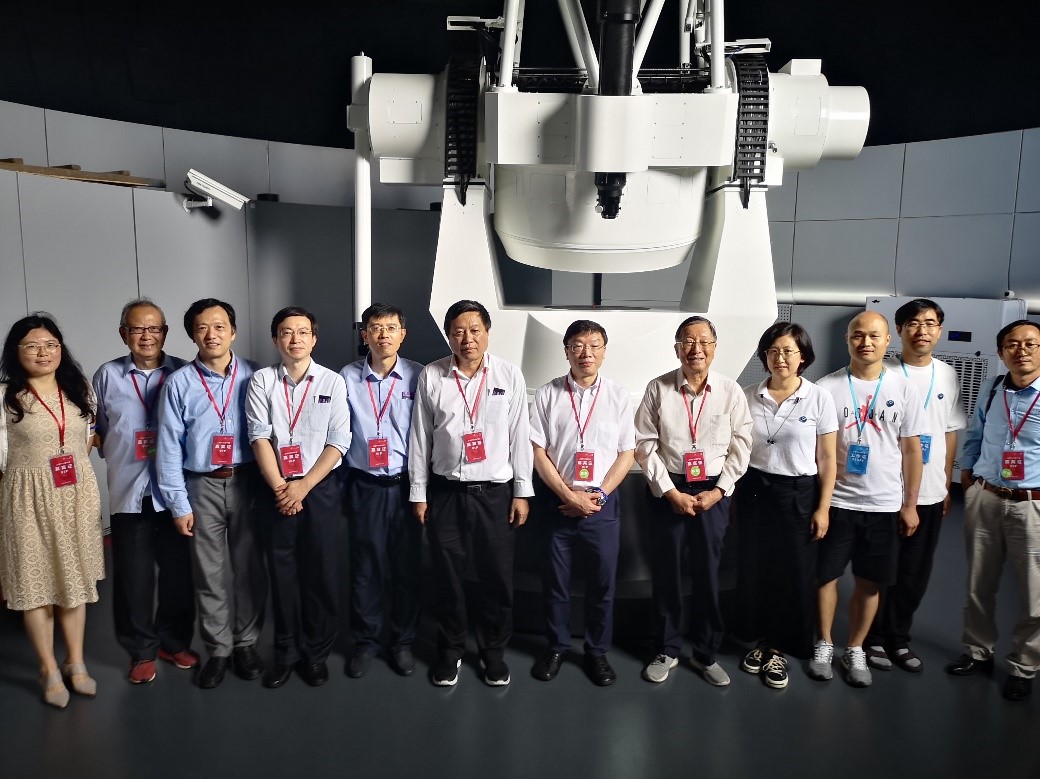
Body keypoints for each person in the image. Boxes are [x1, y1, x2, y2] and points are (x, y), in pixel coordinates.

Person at [409, 299, 533, 687]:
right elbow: (420, 438)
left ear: (487, 333)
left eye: (475, 330)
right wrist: (419, 493)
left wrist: (522, 491)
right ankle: (451, 650)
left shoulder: (509, 375)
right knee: (448, 577)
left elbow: (520, 436)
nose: (467, 339)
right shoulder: (432, 376)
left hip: (495, 495)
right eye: (458, 332)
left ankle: (493, 652)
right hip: (446, 493)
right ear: (448, 336)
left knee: (497, 578)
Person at [635, 315, 752, 687]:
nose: (696, 349)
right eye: (688, 341)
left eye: (704, 341)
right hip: (668, 489)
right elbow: (644, 445)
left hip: (713, 491)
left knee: (708, 574)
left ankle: (705, 652)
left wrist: (719, 492)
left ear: (714, 348)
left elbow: (742, 446)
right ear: (677, 348)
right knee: (666, 572)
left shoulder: (730, 391)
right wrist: (670, 492)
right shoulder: (658, 388)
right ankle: (667, 648)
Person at [156, 298, 267, 689]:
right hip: (200, 485)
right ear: (192, 335)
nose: (212, 334)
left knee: (249, 568)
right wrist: (177, 504)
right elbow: (168, 447)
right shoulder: (179, 383)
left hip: (248, 481)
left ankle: (246, 643)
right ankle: (218, 649)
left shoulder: (256, 375)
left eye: (220, 326)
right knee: (208, 573)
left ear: (233, 332)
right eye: (202, 327)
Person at [811, 311, 925, 688]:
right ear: (847, 339)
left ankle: (855, 647)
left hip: (884, 504)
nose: (866, 342)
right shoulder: (827, 388)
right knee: (825, 577)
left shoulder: (904, 389)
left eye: (874, 336)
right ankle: (824, 643)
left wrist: (910, 504)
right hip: (838, 502)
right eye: (858, 335)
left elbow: (912, 451)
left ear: (888, 340)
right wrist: (821, 505)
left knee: (871, 582)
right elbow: (821, 452)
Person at [0, 313, 104, 708]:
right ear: (16, 352)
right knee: (35, 585)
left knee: (74, 582)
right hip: (26, 498)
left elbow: (88, 437)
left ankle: (75, 662)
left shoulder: (79, 390)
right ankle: (47, 668)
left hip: (75, 496)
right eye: (32, 346)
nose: (43, 352)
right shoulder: (6, 396)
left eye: (51, 345)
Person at [93, 298, 196, 685]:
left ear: (165, 333)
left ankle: (174, 641)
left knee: (178, 574)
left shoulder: (184, 372)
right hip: (129, 491)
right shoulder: (107, 375)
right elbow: (100, 429)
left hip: (176, 495)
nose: (146, 336)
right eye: (137, 328)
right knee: (132, 578)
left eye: (154, 328)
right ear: (124, 334)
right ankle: (141, 650)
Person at [246, 306, 350, 689]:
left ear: (314, 338)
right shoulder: (261, 381)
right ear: (275, 339)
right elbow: (259, 436)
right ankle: (286, 653)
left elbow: (339, 441)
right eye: (286, 332)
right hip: (276, 489)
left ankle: (316, 653)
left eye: (303, 332)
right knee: (283, 574)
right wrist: (282, 488)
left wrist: (302, 487)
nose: (295, 339)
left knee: (321, 572)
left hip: (319, 489)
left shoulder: (332, 382)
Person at [529, 320, 635, 687]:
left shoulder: (618, 396)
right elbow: (537, 451)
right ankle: (556, 647)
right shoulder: (547, 394)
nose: (585, 353)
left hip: (601, 506)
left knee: (602, 585)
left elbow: (627, 453)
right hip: (558, 503)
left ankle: (597, 651)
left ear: (604, 351)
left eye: (594, 345)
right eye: (577, 345)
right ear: (566, 351)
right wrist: (567, 495)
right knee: (555, 583)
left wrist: (599, 495)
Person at [736, 322, 837, 690]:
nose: (780, 358)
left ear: (803, 356)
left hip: (798, 492)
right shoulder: (748, 395)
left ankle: (781, 647)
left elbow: (828, 459)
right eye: (773, 351)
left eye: (788, 351)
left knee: (794, 571)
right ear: (764, 356)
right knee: (755, 566)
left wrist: (823, 508)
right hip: (753, 489)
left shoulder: (818, 398)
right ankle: (760, 640)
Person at [866, 299, 966, 673]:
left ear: (939, 330)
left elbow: (950, 431)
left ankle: (897, 638)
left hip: (930, 491)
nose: (921, 330)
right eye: (913, 323)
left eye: (929, 323)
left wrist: (945, 483)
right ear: (899, 331)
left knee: (914, 573)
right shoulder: (883, 372)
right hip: (888, 489)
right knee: (881, 568)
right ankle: (872, 638)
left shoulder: (948, 375)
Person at [946, 319, 1040, 702]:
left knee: (1034, 593)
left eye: (1030, 344)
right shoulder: (993, 387)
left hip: (1031, 504)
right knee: (978, 583)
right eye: (1012, 344)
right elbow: (976, 433)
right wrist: (968, 476)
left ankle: (1024, 665)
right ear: (1001, 352)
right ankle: (977, 651)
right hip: (985, 496)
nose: (1021, 351)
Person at [341, 303, 422, 679]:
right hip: (365, 486)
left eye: (391, 327)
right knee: (365, 568)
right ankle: (366, 642)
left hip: (407, 486)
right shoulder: (347, 377)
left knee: (407, 568)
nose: (383, 334)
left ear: (402, 334)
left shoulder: (419, 376)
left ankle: (403, 642)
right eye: (375, 327)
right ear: (365, 335)